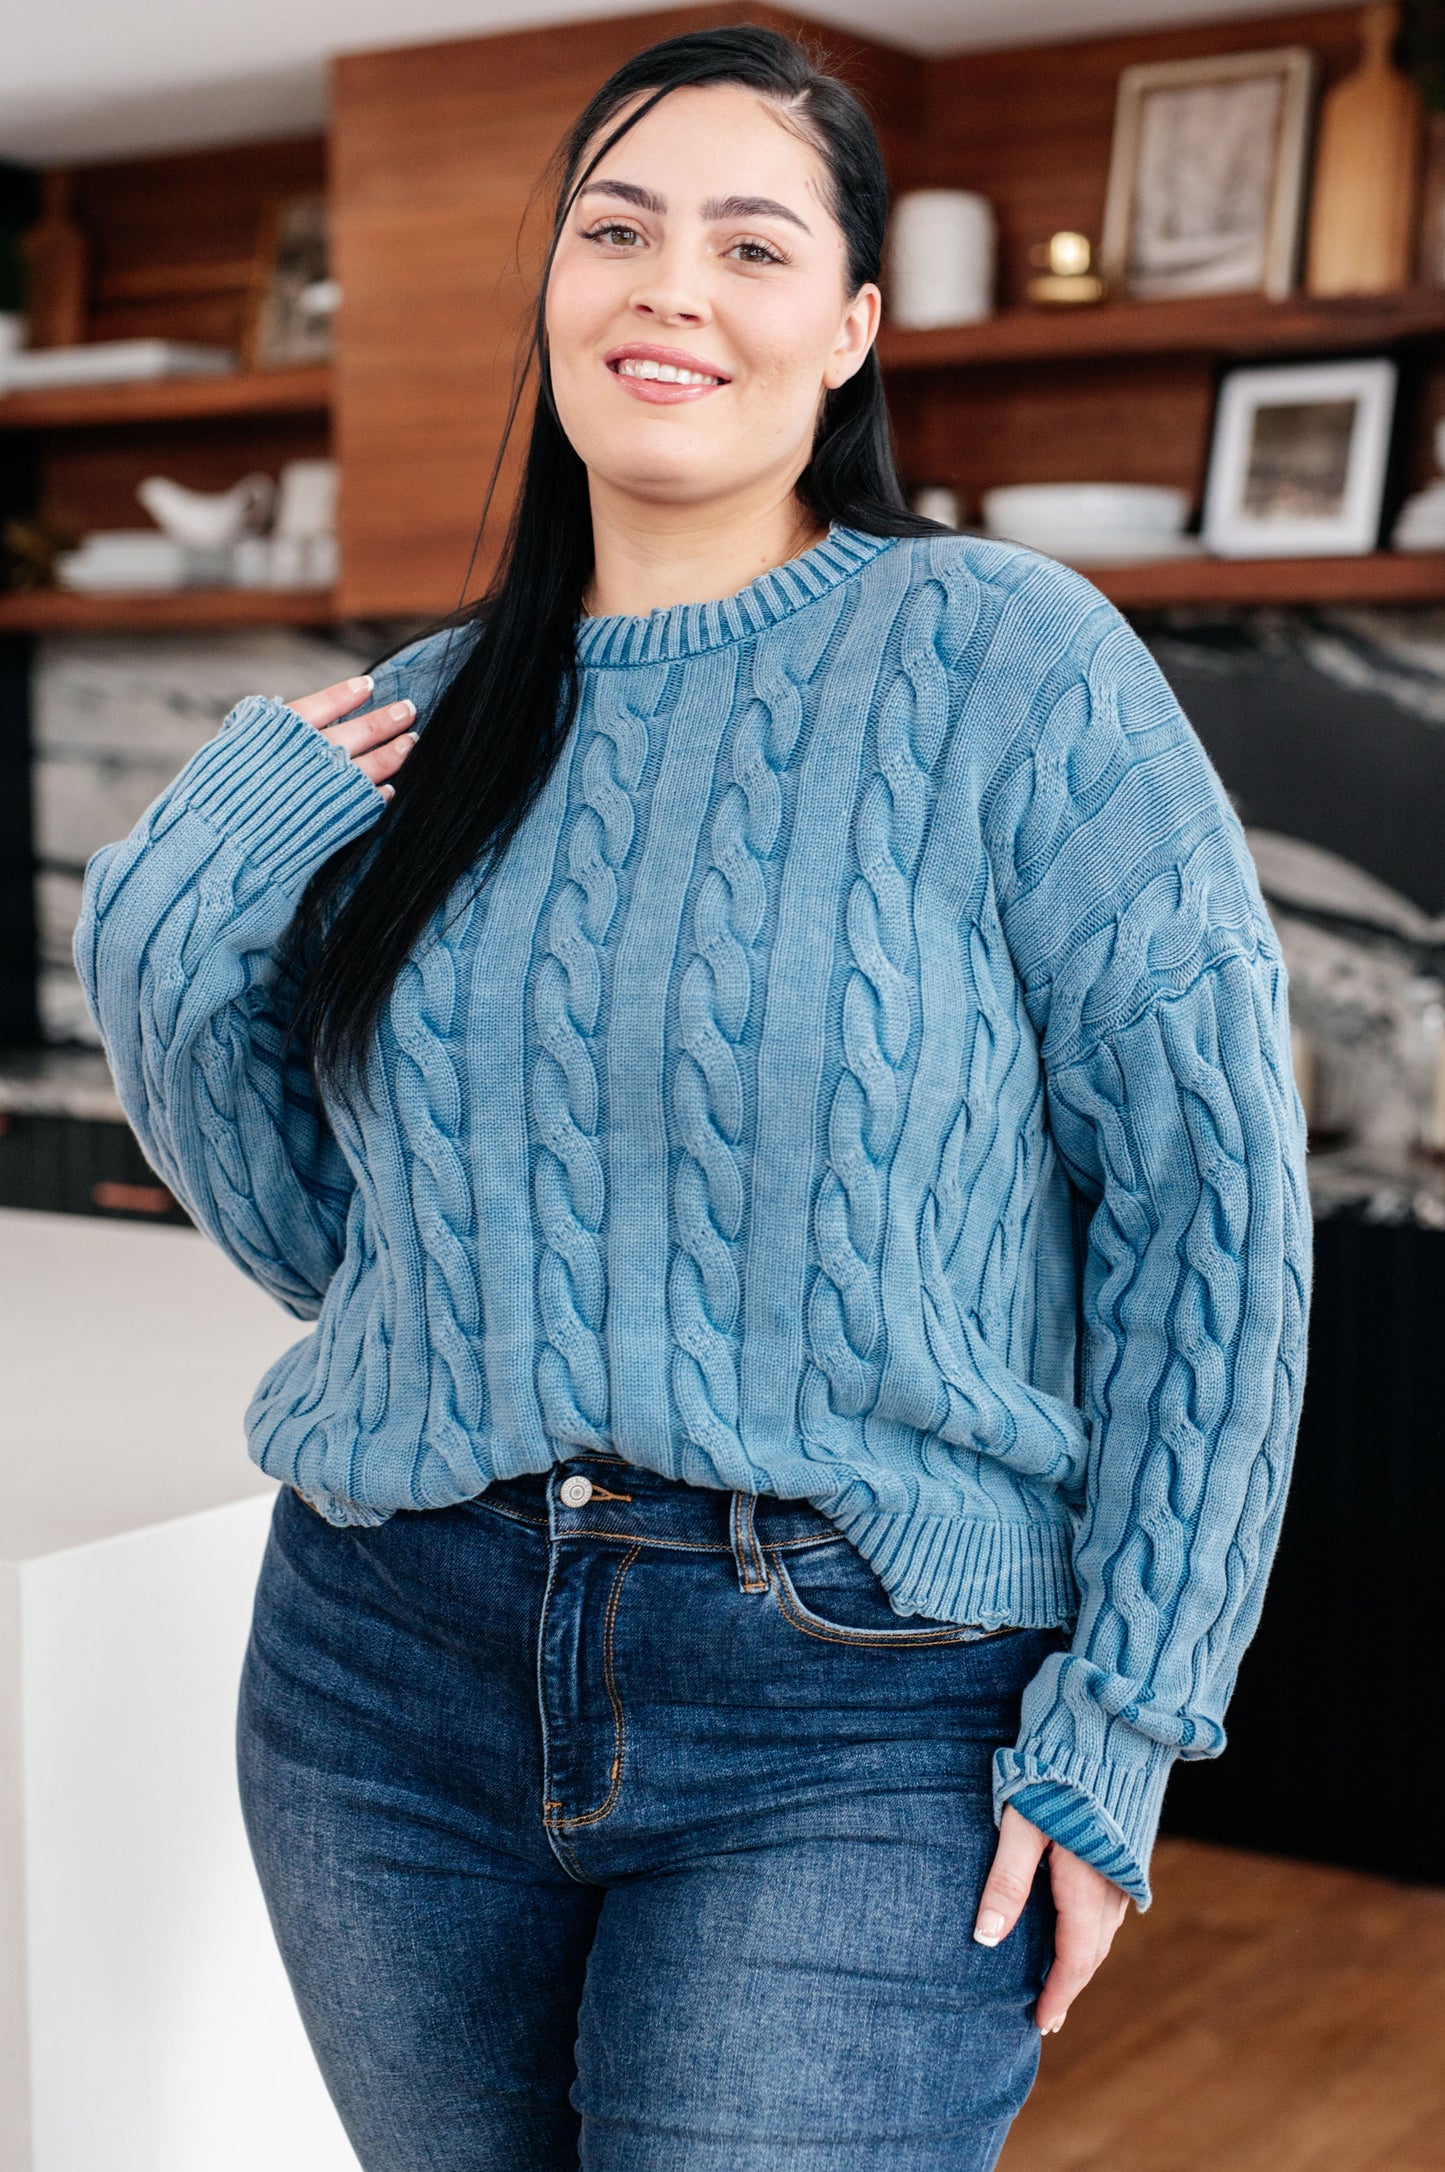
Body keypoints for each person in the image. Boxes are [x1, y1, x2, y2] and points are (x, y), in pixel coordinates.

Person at [76, 26, 1310, 2172]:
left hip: (858, 1696)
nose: (670, 286)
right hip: (391, 1673)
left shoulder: (1004, 661)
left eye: (752, 242)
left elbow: (1213, 1205)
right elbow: (330, 1254)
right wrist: (162, 918)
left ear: (846, 328)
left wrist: (1127, 1717)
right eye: (616, 229)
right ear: (550, 289)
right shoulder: (427, 723)